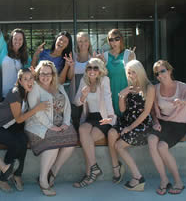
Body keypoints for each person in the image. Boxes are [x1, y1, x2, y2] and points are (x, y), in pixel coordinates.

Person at [0, 68, 49, 192]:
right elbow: (19, 119)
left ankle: (17, 175)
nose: (29, 81)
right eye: (25, 79)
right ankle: (3, 179)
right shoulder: (15, 93)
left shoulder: (28, 91)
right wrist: (37, 109)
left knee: (23, 140)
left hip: (9, 124)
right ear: (19, 81)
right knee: (15, 143)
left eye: (31, 78)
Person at [25, 60, 78, 196]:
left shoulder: (58, 86)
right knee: (53, 142)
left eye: (48, 73)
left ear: (53, 74)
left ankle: (53, 171)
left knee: (71, 139)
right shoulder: (34, 88)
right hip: (38, 125)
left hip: (60, 123)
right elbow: (35, 111)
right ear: (38, 74)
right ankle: (43, 179)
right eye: (42, 73)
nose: (45, 76)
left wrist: (66, 122)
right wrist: (50, 126)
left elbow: (66, 106)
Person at [107, 60, 154, 191]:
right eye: (129, 73)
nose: (132, 75)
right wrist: (121, 97)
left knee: (119, 145)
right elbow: (122, 110)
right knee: (111, 134)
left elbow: (146, 112)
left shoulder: (149, 87)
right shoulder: (130, 86)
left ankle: (138, 177)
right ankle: (116, 167)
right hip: (126, 120)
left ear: (140, 71)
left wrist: (130, 128)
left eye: (134, 72)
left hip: (141, 124)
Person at [148, 60, 186, 195]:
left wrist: (183, 102)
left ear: (170, 71)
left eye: (163, 71)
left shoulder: (182, 87)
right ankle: (164, 180)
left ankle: (178, 182)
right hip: (162, 123)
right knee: (151, 140)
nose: (160, 75)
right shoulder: (155, 89)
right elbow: (153, 111)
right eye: (157, 73)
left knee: (162, 146)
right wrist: (155, 121)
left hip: (178, 124)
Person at [73, 58, 116, 188]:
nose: (92, 71)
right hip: (91, 117)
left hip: (103, 117)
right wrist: (83, 96)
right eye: (89, 68)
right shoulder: (83, 81)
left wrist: (110, 118)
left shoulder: (104, 80)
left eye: (95, 68)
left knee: (88, 140)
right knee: (82, 130)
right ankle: (94, 168)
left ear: (100, 70)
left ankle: (89, 174)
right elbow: (76, 102)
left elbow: (108, 98)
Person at [0, 0, 31, 100]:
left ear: (23, 41)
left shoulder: (26, 57)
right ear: (11, 39)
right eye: (15, 38)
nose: (17, 41)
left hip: (18, 95)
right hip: (0, 95)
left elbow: (29, 76)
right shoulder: (3, 48)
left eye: (20, 39)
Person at [102, 29, 136, 115]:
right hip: (110, 92)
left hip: (125, 91)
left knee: (125, 116)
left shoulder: (129, 54)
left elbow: (135, 76)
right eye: (111, 39)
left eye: (117, 39)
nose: (114, 42)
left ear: (121, 39)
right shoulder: (105, 55)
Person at [69, 32, 93, 130]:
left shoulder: (93, 57)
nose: (83, 43)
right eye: (80, 41)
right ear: (77, 44)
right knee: (75, 117)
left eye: (85, 41)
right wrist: (71, 66)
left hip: (89, 93)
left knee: (86, 118)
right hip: (75, 91)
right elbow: (70, 77)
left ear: (89, 42)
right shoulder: (73, 57)